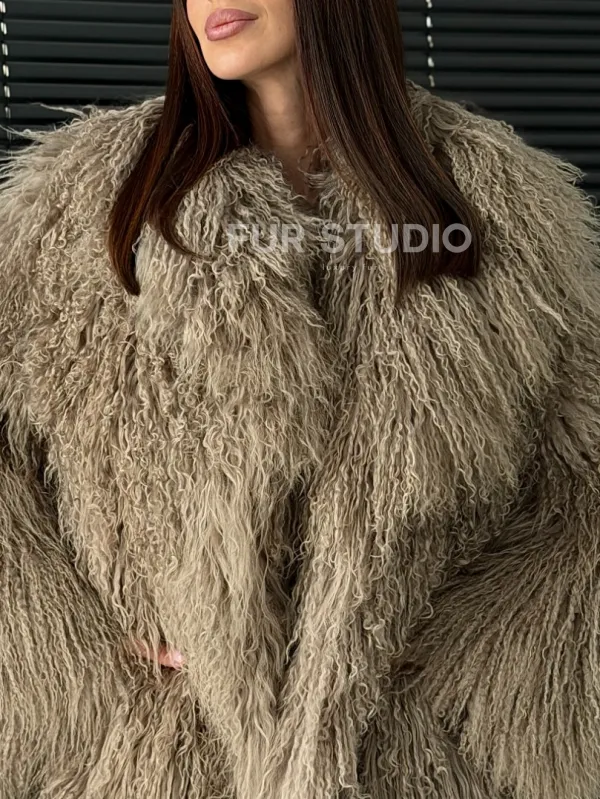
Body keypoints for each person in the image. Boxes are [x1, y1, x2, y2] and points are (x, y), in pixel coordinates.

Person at [0, 1, 599, 797]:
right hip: (161, 759)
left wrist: (467, 660)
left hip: (413, 762)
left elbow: (581, 490)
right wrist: (75, 654)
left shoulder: (505, 211)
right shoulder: (84, 200)